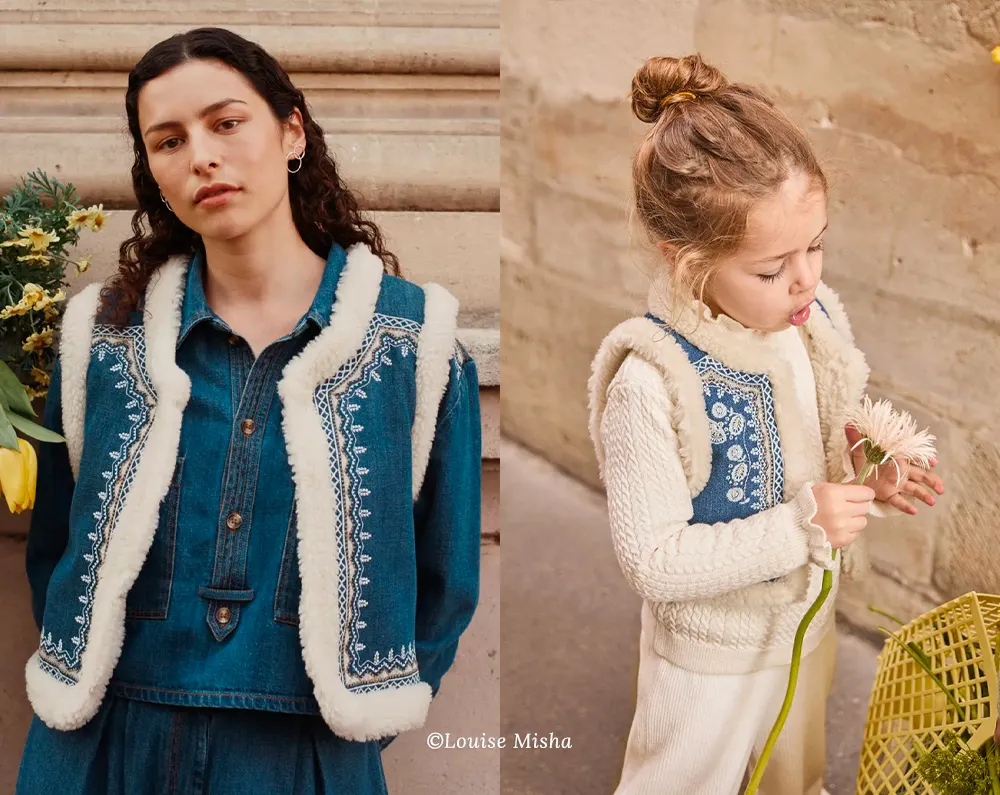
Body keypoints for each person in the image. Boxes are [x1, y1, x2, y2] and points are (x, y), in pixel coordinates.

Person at [17, 26, 481, 795]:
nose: (201, 156)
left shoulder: (413, 345)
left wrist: (350, 721)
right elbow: (55, 548)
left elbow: (446, 581)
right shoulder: (100, 340)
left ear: (292, 131)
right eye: (169, 141)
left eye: (226, 123)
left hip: (305, 753)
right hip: (102, 746)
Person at [587, 54, 944, 795]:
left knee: (794, 780)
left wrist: (866, 478)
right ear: (684, 263)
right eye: (772, 268)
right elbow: (652, 559)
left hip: (805, 629)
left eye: (816, 245)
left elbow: (815, 444)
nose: (807, 278)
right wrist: (799, 527)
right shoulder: (651, 384)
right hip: (710, 662)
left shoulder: (812, 324)